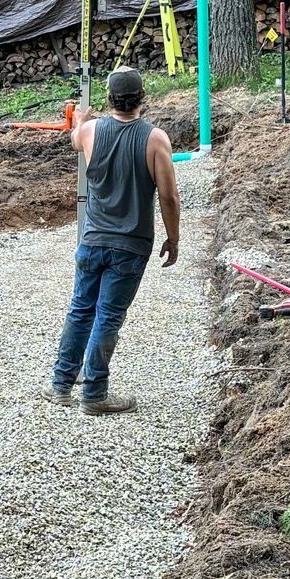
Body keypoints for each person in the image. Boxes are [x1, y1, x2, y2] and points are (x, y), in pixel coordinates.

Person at [47, 65, 180, 416]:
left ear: (109, 99)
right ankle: (94, 394)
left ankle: (61, 384)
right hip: (131, 245)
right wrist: (173, 238)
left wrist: (80, 118)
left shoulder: (91, 131)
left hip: (92, 240)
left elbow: (76, 138)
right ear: (143, 98)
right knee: (108, 316)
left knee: (80, 309)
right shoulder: (155, 139)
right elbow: (169, 197)